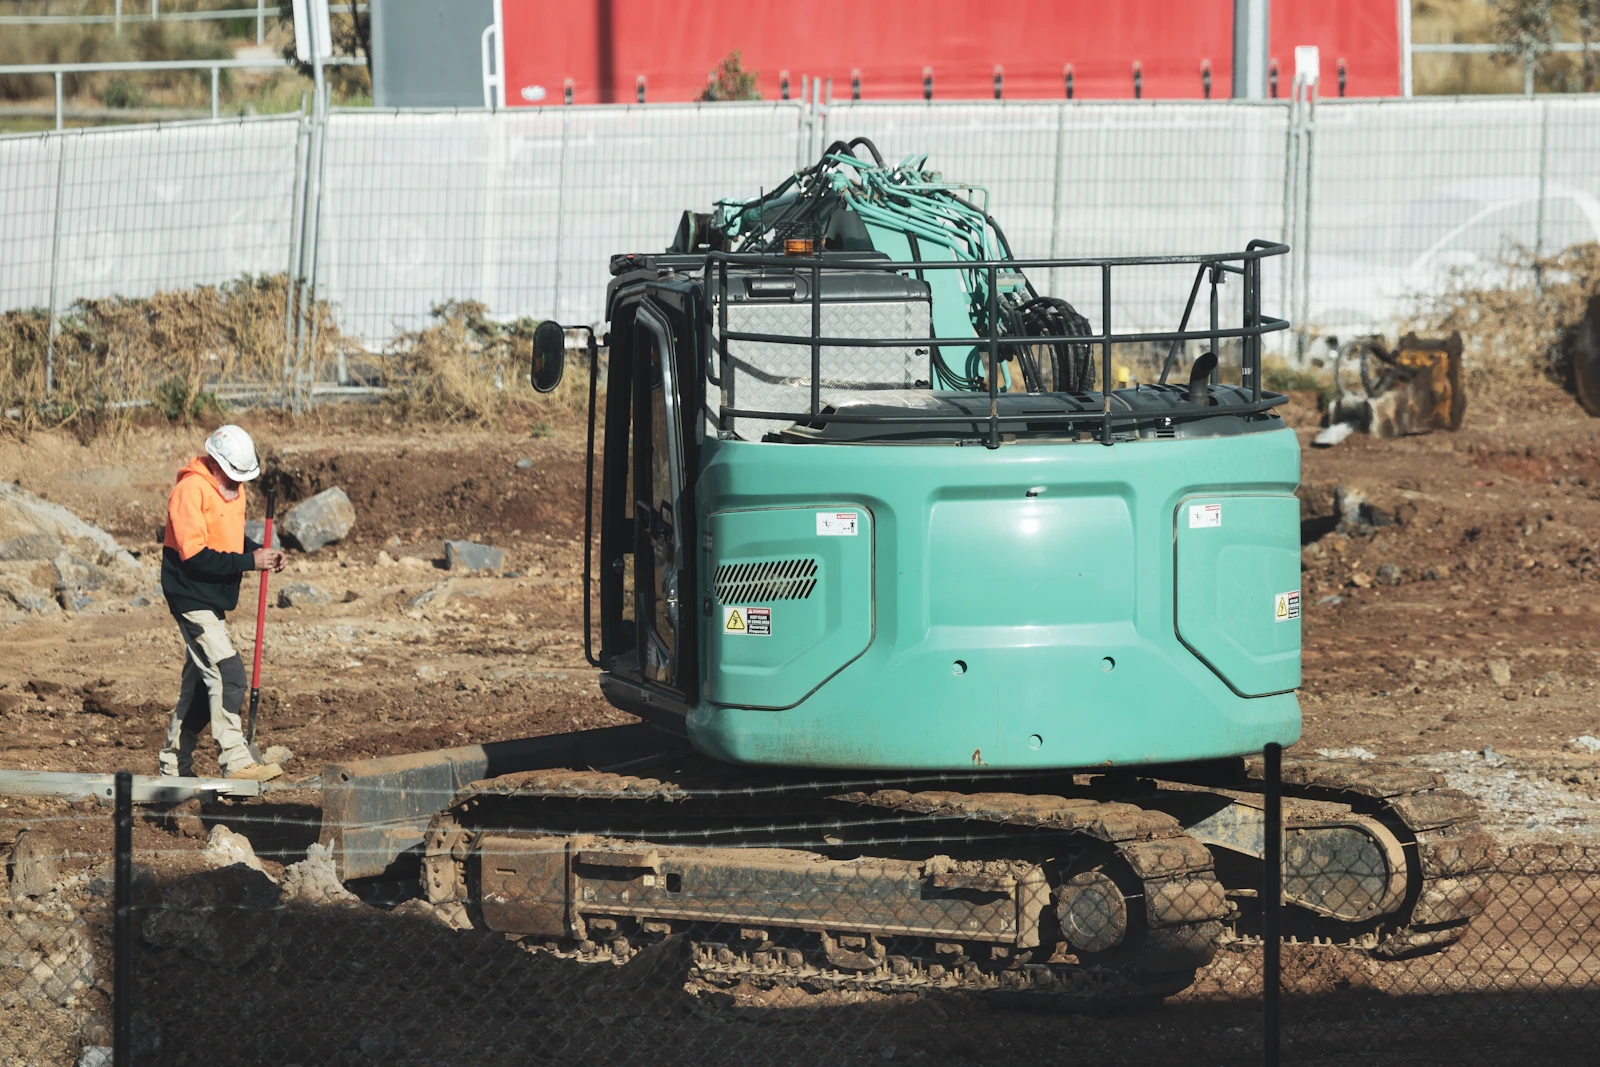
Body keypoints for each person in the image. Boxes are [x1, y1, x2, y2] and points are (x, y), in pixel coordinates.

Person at [158, 425, 287, 782]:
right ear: (215, 463)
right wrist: (250, 563)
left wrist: (258, 552)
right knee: (229, 675)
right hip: (190, 595)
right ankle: (236, 761)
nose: (237, 483)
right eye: (232, 475)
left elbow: (228, 538)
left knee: (200, 688)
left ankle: (172, 767)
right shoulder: (189, 491)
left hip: (213, 599)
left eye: (242, 477)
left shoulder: (234, 491)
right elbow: (196, 556)